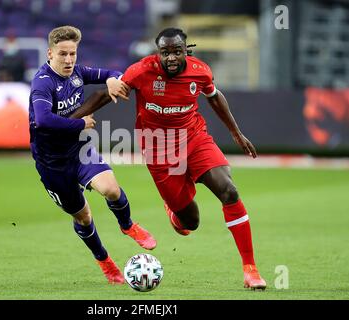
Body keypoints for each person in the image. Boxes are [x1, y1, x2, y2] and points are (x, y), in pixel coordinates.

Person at [72, 28, 267, 290]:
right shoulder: (141, 71)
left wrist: (236, 133)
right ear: (158, 53)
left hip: (195, 138)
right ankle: (174, 211)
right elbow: (105, 95)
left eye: (177, 51)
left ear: (186, 50)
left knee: (229, 191)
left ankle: (250, 269)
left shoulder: (200, 71)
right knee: (190, 223)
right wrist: (68, 123)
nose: (172, 58)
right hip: (159, 150)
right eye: (166, 53)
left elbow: (214, 97)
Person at [29, 25, 156, 284]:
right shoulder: (42, 84)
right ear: (50, 53)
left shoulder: (77, 73)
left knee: (111, 189)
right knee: (83, 216)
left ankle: (128, 225)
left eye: (72, 54)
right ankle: (105, 261)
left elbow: (112, 73)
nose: (68, 60)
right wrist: (81, 124)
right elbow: (43, 120)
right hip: (52, 164)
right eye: (62, 54)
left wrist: (112, 79)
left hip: (79, 149)